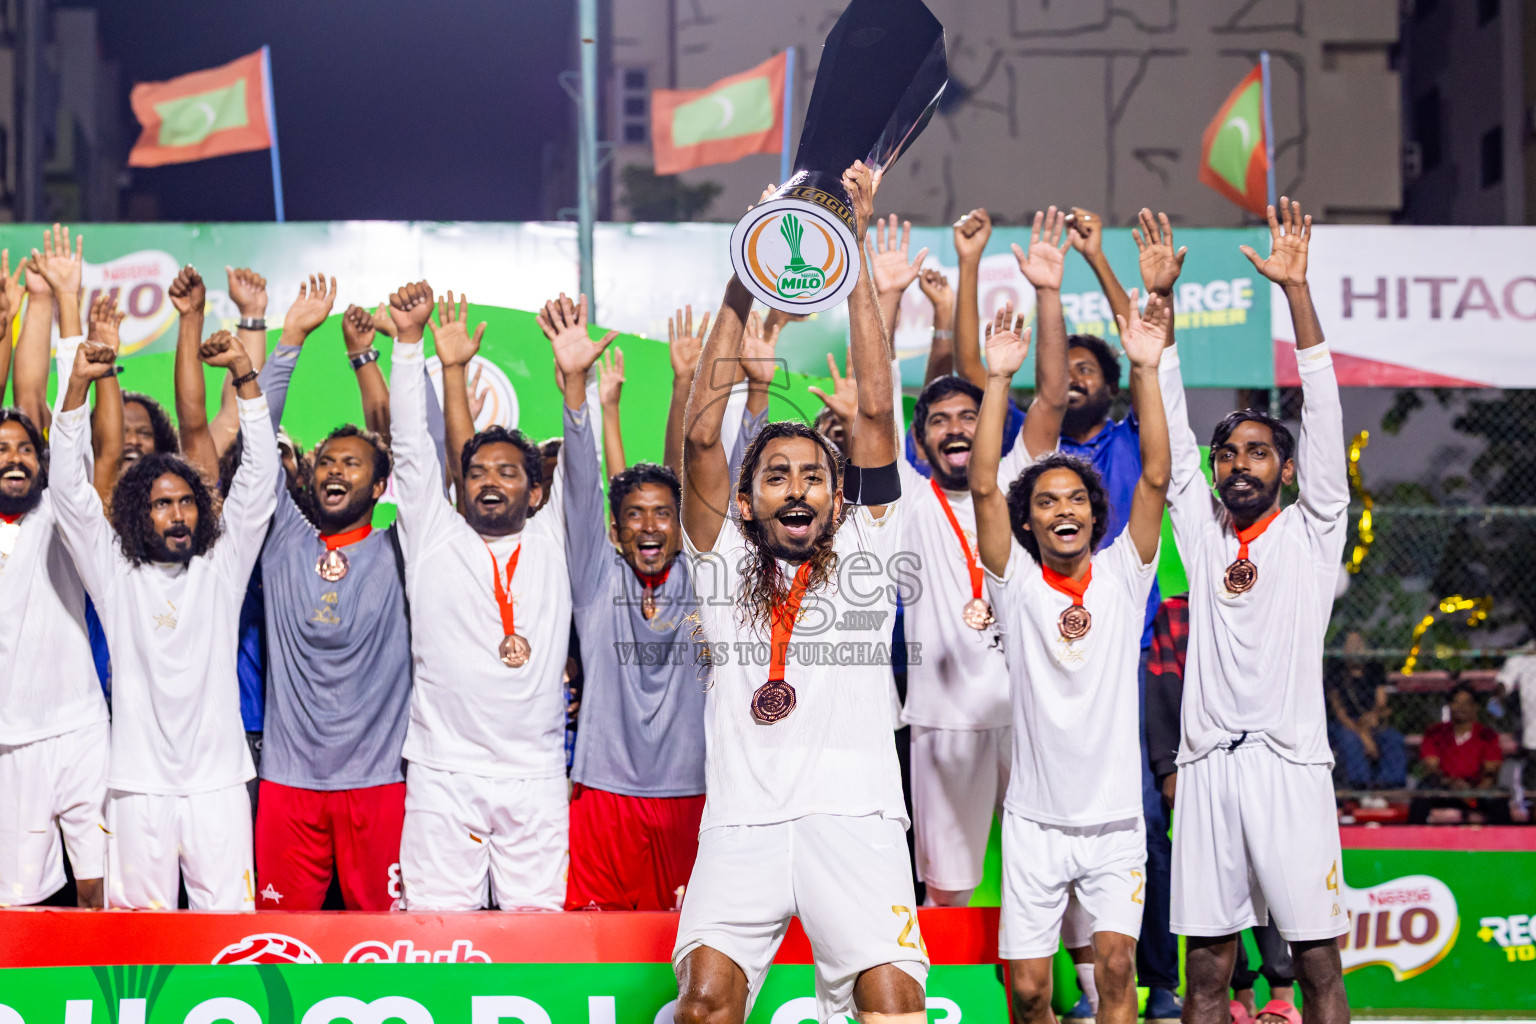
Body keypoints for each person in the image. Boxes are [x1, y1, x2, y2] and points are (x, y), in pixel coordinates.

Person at [673, 161, 928, 1024]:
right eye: (775, 475)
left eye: (813, 476)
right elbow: (704, 432)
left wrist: (851, 244)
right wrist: (746, 274)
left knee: (891, 1007)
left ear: (836, 494)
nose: (795, 488)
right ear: (747, 501)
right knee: (707, 1007)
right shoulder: (717, 559)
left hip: (855, 818)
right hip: (744, 822)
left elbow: (880, 417)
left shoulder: (866, 540)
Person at [1160, 199, 1350, 1024]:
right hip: (1207, 770)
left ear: (1286, 467)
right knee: (1206, 972)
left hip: (1290, 769)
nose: (1240, 464)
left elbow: (1324, 410)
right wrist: (1160, 309)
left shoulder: (1312, 534)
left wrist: (1296, 292)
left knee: (1315, 966)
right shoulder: (1203, 539)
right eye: (1228, 453)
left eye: (1259, 452)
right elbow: (1167, 431)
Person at [972, 286, 1171, 1024]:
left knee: (1116, 971)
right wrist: (997, 379)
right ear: (1031, 522)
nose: (1064, 510)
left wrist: (1147, 370)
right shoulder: (1016, 584)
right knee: (1028, 994)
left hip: (1116, 821)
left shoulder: (1125, 572)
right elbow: (985, 487)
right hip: (1034, 825)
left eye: (1076, 499)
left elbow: (1155, 475)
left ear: (1095, 512)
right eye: (1048, 502)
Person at [51, 329, 274, 910]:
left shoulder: (221, 569)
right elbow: (70, 492)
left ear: (201, 510)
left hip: (219, 785)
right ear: (137, 512)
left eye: (186, 501)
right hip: (135, 787)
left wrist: (247, 378)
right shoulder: (113, 573)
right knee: (135, 941)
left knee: (228, 934)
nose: (177, 515)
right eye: (161, 503)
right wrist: (75, 387)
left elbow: (259, 482)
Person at [892, 208, 1069, 909]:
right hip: (939, 718)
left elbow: (1052, 396)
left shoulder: (1019, 480)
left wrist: (1047, 293)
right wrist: (883, 298)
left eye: (969, 415)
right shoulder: (904, 497)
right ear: (922, 438)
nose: (956, 428)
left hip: (1028, 709)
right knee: (948, 893)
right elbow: (879, 413)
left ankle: (1075, 1005)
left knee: (1051, 874)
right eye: (939, 419)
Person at [387, 281, 573, 911]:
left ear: (535, 489)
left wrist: (575, 383)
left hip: (537, 774)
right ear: (460, 485)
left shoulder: (555, 538)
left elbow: (586, 463)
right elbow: (413, 450)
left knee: (542, 942)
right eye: (476, 472)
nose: (489, 481)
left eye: (507, 472)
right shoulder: (433, 535)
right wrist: (410, 346)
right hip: (444, 773)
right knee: (434, 936)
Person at [249, 299, 413, 911]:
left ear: (379, 486)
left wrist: (371, 358)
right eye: (325, 461)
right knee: (278, 951)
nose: (333, 469)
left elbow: (414, 452)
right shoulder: (283, 536)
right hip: (289, 785)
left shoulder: (402, 550)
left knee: (390, 945)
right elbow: (257, 440)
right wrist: (289, 338)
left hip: (380, 785)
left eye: (352, 462)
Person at [0, 253, 111, 909]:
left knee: (101, 887)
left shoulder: (57, 514)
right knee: (16, 905)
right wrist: (12, 318)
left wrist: (67, 304)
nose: (13, 457)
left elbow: (69, 431)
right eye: (0, 449)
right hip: (8, 740)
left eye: (22, 448)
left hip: (79, 727)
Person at [1409, 683, 1508, 824]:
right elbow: (1431, 768)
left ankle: (1505, 843)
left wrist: (1472, 793)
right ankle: (1414, 839)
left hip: (1476, 790)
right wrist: (1452, 783)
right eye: (1456, 702)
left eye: (1466, 703)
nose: (1461, 707)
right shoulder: (1435, 733)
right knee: (1424, 790)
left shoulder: (1487, 735)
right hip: (1445, 789)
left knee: (1498, 797)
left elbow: (1491, 772)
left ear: (1475, 707)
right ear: (1449, 705)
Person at [1325, 632, 1406, 789]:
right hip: (1345, 724)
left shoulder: (1374, 669)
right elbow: (1339, 712)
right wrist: (1362, 735)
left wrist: (1372, 718)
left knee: (1392, 738)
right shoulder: (1336, 673)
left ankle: (1388, 787)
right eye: (1351, 644)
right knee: (1349, 740)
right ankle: (1359, 787)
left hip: (1371, 721)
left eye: (1359, 643)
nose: (1356, 648)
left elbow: (1381, 703)